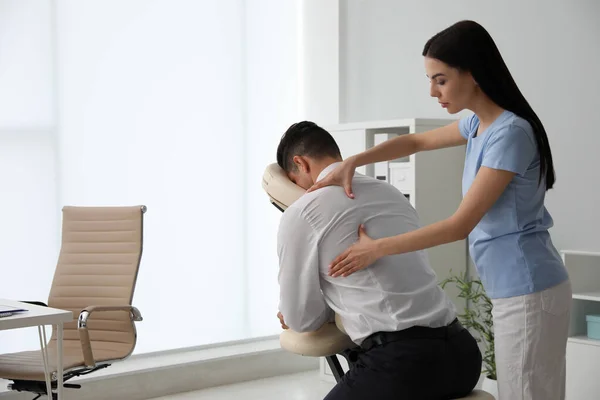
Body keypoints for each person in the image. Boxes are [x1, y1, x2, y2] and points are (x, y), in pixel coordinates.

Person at [308, 20, 571, 400]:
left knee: (527, 393)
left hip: (530, 287)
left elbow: (460, 224)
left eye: (441, 79)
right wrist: (355, 160)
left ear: (474, 73)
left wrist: (377, 247)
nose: (432, 91)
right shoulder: (478, 125)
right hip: (516, 287)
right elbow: (415, 141)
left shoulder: (510, 133)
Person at [275, 121, 482, 400]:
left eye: (293, 179)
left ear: (300, 163)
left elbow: (302, 319)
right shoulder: (392, 193)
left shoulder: (301, 213)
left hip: (405, 364)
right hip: (463, 355)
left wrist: (291, 313)